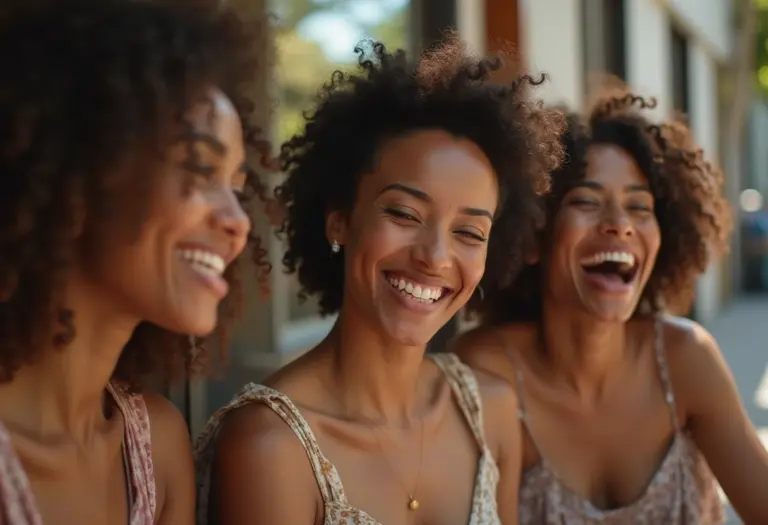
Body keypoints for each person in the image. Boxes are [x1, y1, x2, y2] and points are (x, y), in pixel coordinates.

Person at [195, 38, 566, 525]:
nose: (435, 256)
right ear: (339, 221)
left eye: (469, 232)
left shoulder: (490, 413)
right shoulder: (269, 444)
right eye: (404, 213)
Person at [0, 1, 272, 523]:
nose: (238, 221)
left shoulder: (157, 447)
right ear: (81, 175)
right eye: (200, 170)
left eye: (237, 188)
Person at [454, 85, 768, 524]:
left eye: (640, 207)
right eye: (585, 201)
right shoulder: (483, 371)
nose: (619, 225)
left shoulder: (685, 359)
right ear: (532, 237)